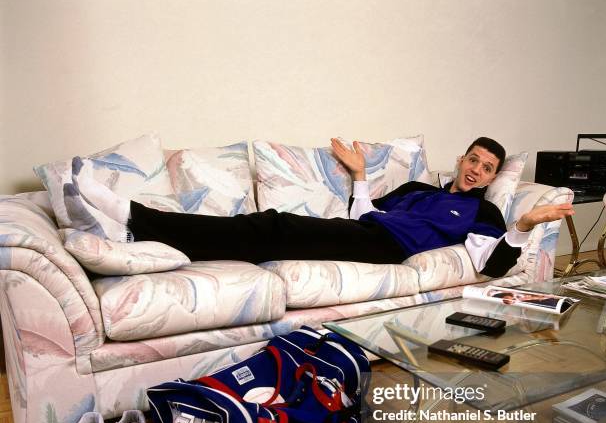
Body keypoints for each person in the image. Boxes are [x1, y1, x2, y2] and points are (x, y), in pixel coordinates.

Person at [65, 137, 574, 276]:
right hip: (362, 232)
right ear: (462, 158)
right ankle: (134, 229)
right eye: (474, 160)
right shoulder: (420, 188)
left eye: (488, 169)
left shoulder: (485, 215)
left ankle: (132, 218)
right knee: (267, 229)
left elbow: (494, 267)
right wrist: (358, 175)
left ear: (491, 178)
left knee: (271, 226)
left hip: (385, 248)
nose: (477, 171)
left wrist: (523, 226)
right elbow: (363, 212)